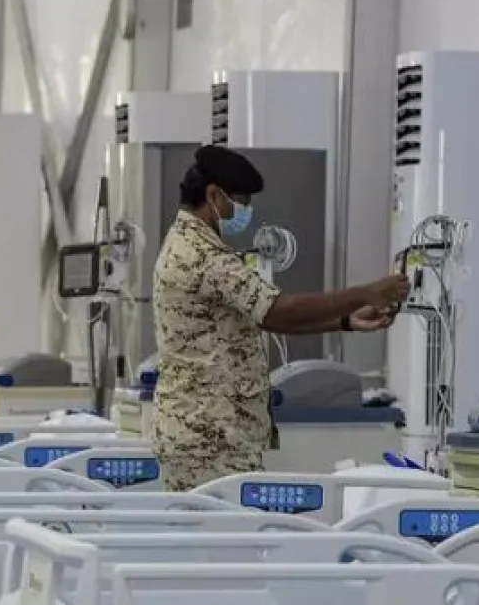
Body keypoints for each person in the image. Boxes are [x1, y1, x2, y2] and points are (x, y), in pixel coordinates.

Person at [152, 144, 410, 492]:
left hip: (207, 433)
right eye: (241, 200)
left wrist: (345, 320)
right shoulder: (201, 255)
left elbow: (266, 320)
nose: (246, 210)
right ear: (213, 195)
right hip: (209, 440)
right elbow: (278, 310)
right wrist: (365, 293)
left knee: (219, 540)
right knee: (220, 542)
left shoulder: (189, 244)